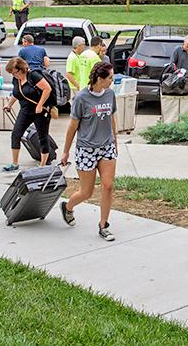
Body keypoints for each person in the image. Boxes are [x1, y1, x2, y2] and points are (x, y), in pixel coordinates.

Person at [60, 61, 118, 242]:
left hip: (106, 146)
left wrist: (115, 141)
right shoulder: (81, 98)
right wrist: (66, 151)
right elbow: (72, 127)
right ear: (99, 79)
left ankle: (104, 226)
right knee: (86, 192)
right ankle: (68, 207)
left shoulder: (110, 95)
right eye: (110, 77)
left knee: (108, 186)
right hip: (86, 149)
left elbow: (112, 120)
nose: (112, 80)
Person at [2, 57, 53, 171]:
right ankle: (14, 163)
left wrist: (40, 105)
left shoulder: (33, 76)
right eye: (12, 73)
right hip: (25, 110)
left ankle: (43, 164)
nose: (14, 75)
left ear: (22, 69)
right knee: (16, 134)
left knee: (42, 136)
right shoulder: (16, 79)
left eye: (15, 72)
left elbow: (47, 89)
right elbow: (17, 92)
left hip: (39, 111)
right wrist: (9, 105)